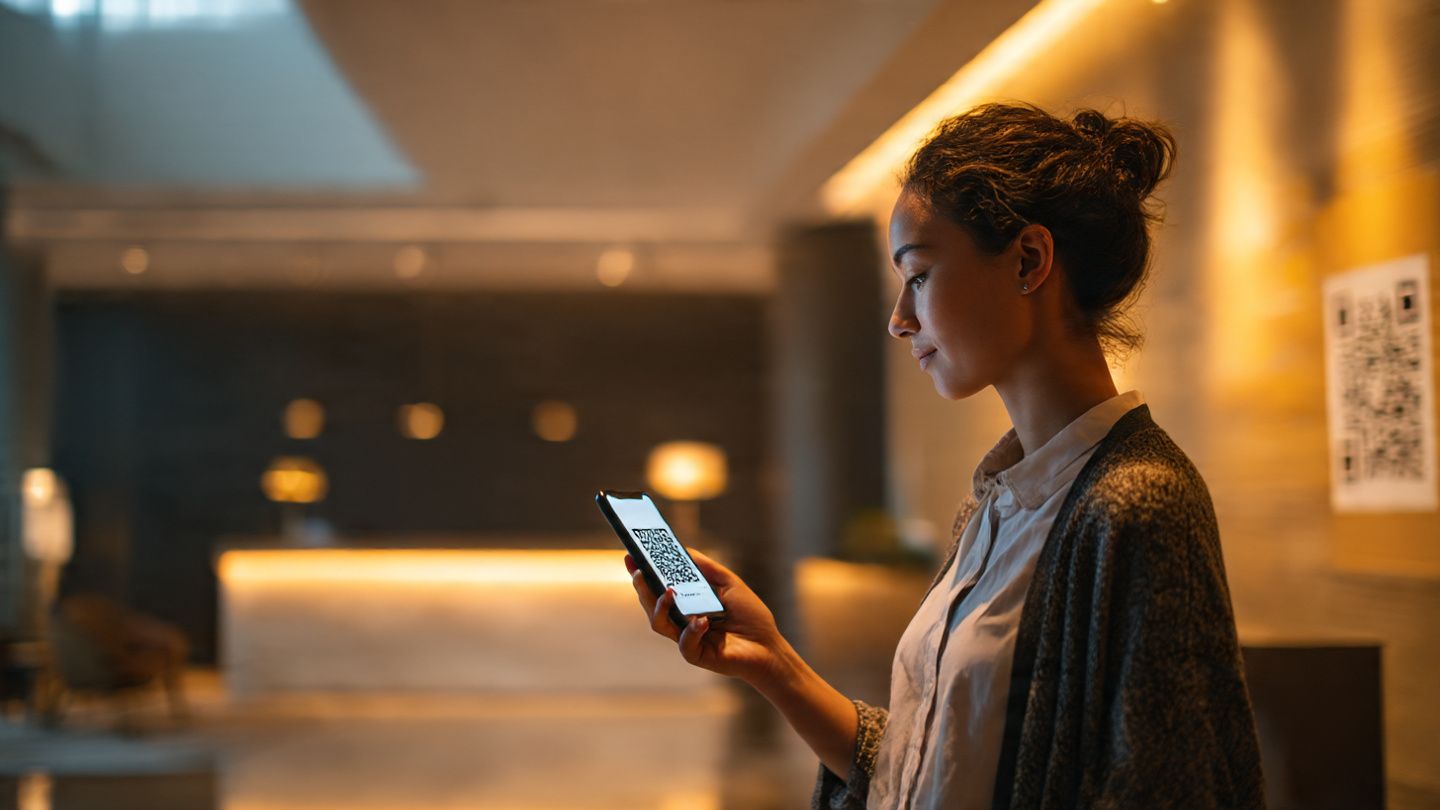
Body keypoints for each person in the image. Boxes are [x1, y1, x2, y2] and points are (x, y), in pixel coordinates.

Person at [625, 103, 1264, 809]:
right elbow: (927, 766)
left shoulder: (1136, 504)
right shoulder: (999, 502)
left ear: (1029, 260)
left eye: (920, 275)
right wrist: (773, 663)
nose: (900, 319)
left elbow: (1172, 791)